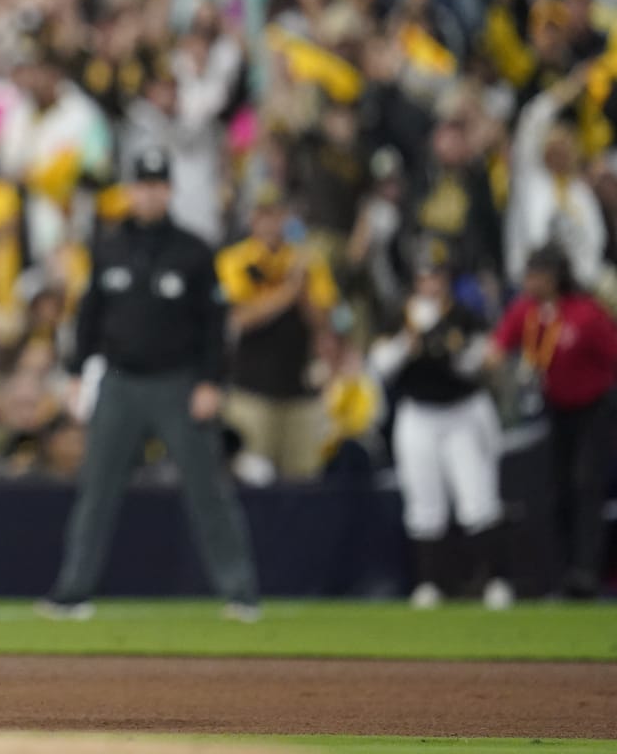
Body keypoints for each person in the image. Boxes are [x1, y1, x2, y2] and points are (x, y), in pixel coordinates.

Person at [40, 148, 260, 619]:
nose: (149, 193)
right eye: (142, 184)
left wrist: (209, 382)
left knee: (207, 490)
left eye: (157, 184)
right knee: (96, 491)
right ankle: (73, 591)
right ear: (132, 189)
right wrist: (79, 373)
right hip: (120, 382)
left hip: (178, 383)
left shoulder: (194, 251)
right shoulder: (109, 245)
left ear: (169, 190)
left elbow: (214, 326)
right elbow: (89, 317)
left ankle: (240, 590)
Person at [367, 252, 512, 609]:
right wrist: (409, 339)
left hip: (461, 410)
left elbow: (478, 364)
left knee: (477, 497)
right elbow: (379, 365)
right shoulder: (399, 313)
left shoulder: (465, 314)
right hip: (419, 413)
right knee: (423, 502)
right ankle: (430, 583)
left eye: (437, 276)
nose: (431, 283)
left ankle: (491, 580)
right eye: (424, 276)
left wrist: (450, 344)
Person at [490, 246, 617, 598]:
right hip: (556, 409)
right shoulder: (526, 313)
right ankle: (562, 574)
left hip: (595, 409)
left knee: (587, 485)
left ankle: (586, 572)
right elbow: (497, 348)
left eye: (536, 275)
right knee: (557, 489)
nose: (529, 282)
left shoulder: (586, 314)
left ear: (554, 277)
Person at [217, 184, 338, 481]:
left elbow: (323, 322)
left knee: (303, 480)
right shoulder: (235, 260)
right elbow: (240, 318)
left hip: (300, 390)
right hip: (251, 390)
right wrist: (289, 290)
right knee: (252, 479)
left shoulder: (307, 261)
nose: (270, 224)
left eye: (276, 215)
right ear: (252, 220)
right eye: (263, 215)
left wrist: (304, 289)